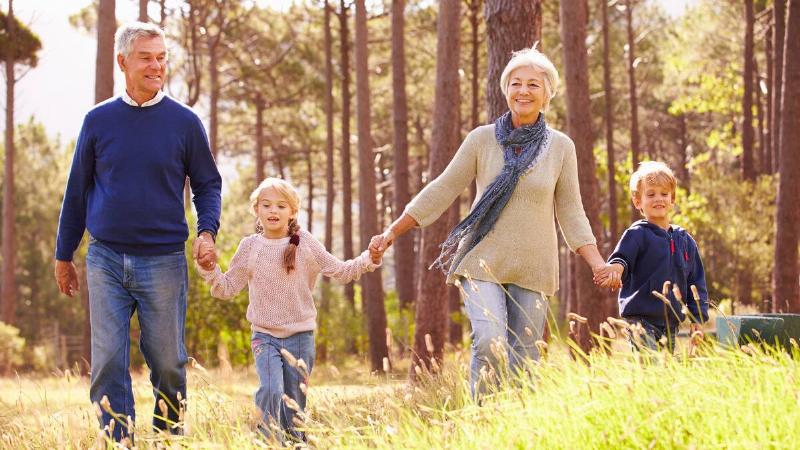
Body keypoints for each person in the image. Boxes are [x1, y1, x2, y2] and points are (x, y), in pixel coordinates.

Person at [369, 47, 606, 396]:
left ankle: (514, 427)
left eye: (532, 85)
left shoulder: (561, 147)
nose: (523, 91)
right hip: (483, 260)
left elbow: (571, 210)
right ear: (505, 88)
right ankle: (483, 419)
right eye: (515, 83)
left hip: (534, 264)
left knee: (525, 358)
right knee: (490, 339)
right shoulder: (482, 139)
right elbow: (444, 187)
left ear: (547, 94)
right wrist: (393, 231)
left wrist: (597, 262)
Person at [53, 22, 221, 442]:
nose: (156, 65)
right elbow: (77, 190)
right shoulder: (98, 121)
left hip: (163, 259)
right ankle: (119, 440)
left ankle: (168, 438)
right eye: (146, 57)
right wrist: (63, 254)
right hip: (105, 257)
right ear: (122, 61)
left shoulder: (184, 123)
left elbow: (207, 183)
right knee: (108, 360)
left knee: (167, 361)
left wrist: (207, 232)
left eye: (162, 57)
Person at [195, 177, 381, 443]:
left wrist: (368, 259)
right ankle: (268, 441)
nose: (273, 211)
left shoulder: (305, 243)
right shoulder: (250, 247)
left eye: (281, 206)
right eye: (266, 205)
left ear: (293, 212)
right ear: (256, 210)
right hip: (264, 335)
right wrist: (209, 268)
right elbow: (226, 288)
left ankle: (295, 444)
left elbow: (341, 271)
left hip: (300, 337)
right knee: (271, 390)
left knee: (295, 404)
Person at [594, 161, 709, 351]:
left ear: (672, 199)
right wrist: (615, 270)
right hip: (641, 320)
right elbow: (622, 259)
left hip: (670, 322)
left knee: (663, 372)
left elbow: (696, 282)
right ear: (638, 201)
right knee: (648, 365)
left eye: (664, 194)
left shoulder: (685, 240)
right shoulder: (637, 234)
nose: (658, 199)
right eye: (651, 194)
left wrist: (697, 318)